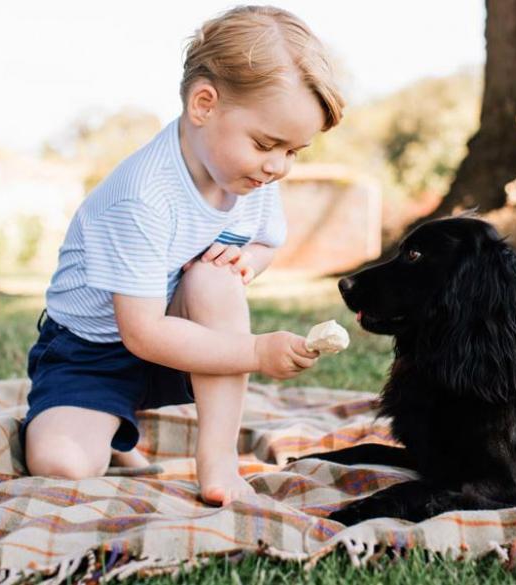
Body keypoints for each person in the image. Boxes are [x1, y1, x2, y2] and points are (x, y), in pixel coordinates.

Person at [21, 5, 345, 506]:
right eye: (267, 144)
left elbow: (264, 242)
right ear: (204, 104)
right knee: (61, 466)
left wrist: (245, 265)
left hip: (182, 337)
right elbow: (142, 332)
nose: (278, 166)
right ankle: (103, 425)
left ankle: (217, 462)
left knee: (215, 281)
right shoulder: (143, 197)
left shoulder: (249, 176)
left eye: (293, 152)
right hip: (93, 351)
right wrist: (257, 352)